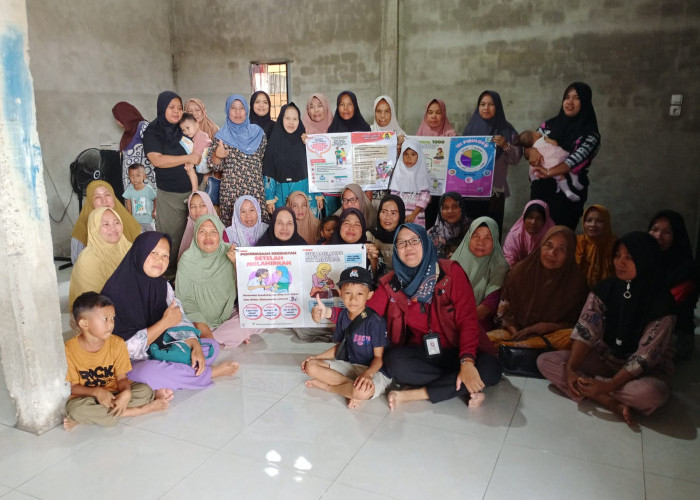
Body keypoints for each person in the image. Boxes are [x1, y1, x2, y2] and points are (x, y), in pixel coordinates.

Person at [537, 232, 676, 424]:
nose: (620, 262)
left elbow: (644, 356)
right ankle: (609, 402)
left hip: (645, 372)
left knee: (650, 394)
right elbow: (586, 330)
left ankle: (594, 388)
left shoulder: (662, 304)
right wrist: (571, 369)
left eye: (629, 257)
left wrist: (608, 385)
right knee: (546, 361)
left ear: (645, 260)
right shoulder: (606, 288)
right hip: (606, 358)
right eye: (617, 255)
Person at [368, 224, 502, 409]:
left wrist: (467, 362)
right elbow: (366, 314)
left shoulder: (451, 272)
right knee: (394, 361)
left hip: (465, 350)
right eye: (401, 243)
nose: (408, 247)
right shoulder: (392, 283)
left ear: (425, 242)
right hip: (426, 353)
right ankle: (462, 386)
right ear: (396, 250)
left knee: (490, 368)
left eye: (414, 240)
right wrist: (331, 313)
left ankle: (417, 394)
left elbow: (468, 320)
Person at [101, 232, 239, 390]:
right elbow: (123, 350)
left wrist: (194, 344)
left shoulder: (162, 285)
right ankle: (207, 373)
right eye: (154, 253)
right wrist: (164, 323)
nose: (160, 260)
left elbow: (179, 317)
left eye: (165, 255)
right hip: (129, 362)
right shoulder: (114, 293)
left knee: (210, 346)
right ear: (140, 252)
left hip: (160, 346)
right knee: (148, 372)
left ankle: (182, 369)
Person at [63, 292, 171, 430]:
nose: (111, 324)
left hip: (115, 394)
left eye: (112, 318)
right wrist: (97, 392)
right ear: (84, 324)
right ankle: (140, 410)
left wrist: (126, 393)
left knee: (145, 391)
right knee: (73, 408)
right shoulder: (69, 349)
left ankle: (90, 417)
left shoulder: (117, 343)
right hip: (90, 397)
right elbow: (74, 387)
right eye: (105, 319)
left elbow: (121, 379)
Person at [304, 266, 391, 409]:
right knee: (310, 366)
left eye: (359, 294)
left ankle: (331, 387)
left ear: (369, 295)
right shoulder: (343, 315)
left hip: (374, 370)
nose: (353, 299)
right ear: (340, 293)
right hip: (351, 366)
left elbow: (379, 358)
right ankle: (350, 389)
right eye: (348, 293)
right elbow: (341, 347)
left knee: (362, 392)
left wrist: (368, 375)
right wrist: (316, 357)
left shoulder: (376, 322)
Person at [489, 226, 589, 349]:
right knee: (485, 339)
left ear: (570, 254)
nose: (552, 253)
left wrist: (548, 327)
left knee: (571, 339)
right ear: (541, 246)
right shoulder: (520, 272)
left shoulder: (576, 284)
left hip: (552, 337)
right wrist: (514, 331)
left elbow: (580, 325)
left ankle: (519, 348)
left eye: (561, 249)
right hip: (515, 333)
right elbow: (503, 312)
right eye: (548, 245)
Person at [176, 215, 261, 348]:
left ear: (220, 235)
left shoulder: (230, 252)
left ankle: (208, 339)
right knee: (176, 321)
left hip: (227, 315)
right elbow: (185, 300)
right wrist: (202, 325)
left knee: (256, 317)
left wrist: (237, 264)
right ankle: (222, 336)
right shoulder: (187, 259)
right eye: (202, 231)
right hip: (195, 320)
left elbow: (250, 289)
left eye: (213, 232)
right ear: (195, 234)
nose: (208, 237)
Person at [143, 91, 202, 278]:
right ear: (162, 108)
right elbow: (157, 160)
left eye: (179, 107)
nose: (177, 111)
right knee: (171, 237)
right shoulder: (153, 131)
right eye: (171, 107)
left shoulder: (183, 127)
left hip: (195, 192)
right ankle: (168, 276)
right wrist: (188, 158)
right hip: (170, 195)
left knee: (195, 234)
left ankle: (190, 275)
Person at [527, 82, 601, 229]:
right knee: (536, 236)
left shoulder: (590, 134)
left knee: (559, 235)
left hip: (567, 196)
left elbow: (573, 161)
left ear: (585, 102)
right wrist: (531, 151)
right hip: (540, 190)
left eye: (576, 98)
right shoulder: (548, 125)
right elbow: (528, 145)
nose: (569, 102)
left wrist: (548, 172)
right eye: (567, 97)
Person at [462, 91, 523, 232]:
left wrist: (505, 145)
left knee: (492, 231)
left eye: (491, 104)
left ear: (498, 107)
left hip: (494, 192)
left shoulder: (507, 130)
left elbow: (515, 159)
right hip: (471, 191)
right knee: (472, 232)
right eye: (482, 104)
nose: (486, 108)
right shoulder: (470, 129)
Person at [207, 94, 268, 227]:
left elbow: (264, 159)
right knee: (232, 230)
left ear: (246, 110)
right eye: (233, 108)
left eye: (241, 108)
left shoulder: (258, 133)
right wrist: (217, 156)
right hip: (231, 194)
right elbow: (215, 167)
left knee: (258, 230)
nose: (238, 112)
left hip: (255, 190)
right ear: (227, 111)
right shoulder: (221, 137)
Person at [648, 210, 698, 360]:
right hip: (644, 324)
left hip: (674, 331)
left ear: (677, 236)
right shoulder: (644, 261)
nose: (658, 236)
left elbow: (667, 306)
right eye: (654, 229)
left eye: (667, 232)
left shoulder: (686, 270)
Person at [451, 217, 510, 332]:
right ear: (468, 237)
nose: (480, 242)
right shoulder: (455, 261)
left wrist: (461, 320)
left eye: (487, 238)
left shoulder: (500, 266)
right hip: (450, 318)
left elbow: (489, 305)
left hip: (478, 323)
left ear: (495, 240)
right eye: (476, 236)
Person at [68, 207, 132, 310]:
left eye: (117, 222)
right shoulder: (87, 260)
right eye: (106, 224)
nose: (113, 228)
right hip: (103, 314)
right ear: (94, 228)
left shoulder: (130, 248)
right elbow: (90, 305)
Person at [70, 180, 141, 264]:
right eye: (97, 197)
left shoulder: (128, 221)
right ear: (90, 201)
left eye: (107, 195)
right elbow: (78, 264)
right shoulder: (81, 229)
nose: (104, 200)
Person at [264, 103, 316, 214]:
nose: (291, 122)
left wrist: (318, 195)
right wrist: (270, 198)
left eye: (295, 119)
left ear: (299, 121)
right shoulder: (273, 143)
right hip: (281, 194)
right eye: (287, 118)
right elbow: (269, 172)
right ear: (281, 119)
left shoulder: (306, 142)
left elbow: (315, 169)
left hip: (304, 191)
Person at [415, 98, 457, 229]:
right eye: (430, 112)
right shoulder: (419, 134)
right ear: (426, 115)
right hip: (423, 190)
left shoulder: (451, 135)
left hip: (445, 190)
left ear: (443, 114)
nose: (434, 116)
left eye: (438, 112)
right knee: (425, 224)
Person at [517, 129, 582, 202]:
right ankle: (575, 181)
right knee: (569, 165)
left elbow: (527, 156)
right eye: (534, 132)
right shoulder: (542, 139)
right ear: (534, 135)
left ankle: (567, 192)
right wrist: (546, 138)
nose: (537, 132)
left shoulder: (534, 147)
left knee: (561, 177)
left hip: (547, 167)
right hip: (557, 158)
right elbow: (555, 143)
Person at [388, 139, 431, 227]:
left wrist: (413, 215)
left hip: (416, 217)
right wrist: (400, 215)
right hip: (399, 218)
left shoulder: (422, 174)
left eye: (413, 154)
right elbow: (394, 198)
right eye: (406, 154)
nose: (409, 158)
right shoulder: (398, 174)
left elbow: (425, 197)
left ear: (419, 156)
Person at [112, 101, 154, 190]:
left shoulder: (143, 126)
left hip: (144, 185)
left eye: (117, 118)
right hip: (131, 186)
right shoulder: (127, 134)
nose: (117, 122)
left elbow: (155, 151)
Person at [502, 199, 555, 267]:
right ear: (524, 218)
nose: (533, 222)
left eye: (539, 218)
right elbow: (509, 261)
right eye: (530, 217)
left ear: (545, 221)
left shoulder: (552, 236)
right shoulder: (515, 235)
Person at [575, 204, 616, 288]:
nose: (593, 224)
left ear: (606, 223)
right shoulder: (577, 242)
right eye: (589, 220)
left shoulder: (615, 245)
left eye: (599, 221)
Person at [367, 194, 405, 272]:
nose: (388, 217)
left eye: (393, 213)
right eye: (384, 212)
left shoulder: (407, 239)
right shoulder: (371, 236)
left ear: (401, 216)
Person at [427, 191, 470, 258]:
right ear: (440, 211)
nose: (450, 211)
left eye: (455, 207)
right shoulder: (432, 234)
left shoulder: (473, 230)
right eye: (445, 207)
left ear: (461, 208)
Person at [178, 191, 217, 260]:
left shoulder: (221, 231)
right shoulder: (188, 233)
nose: (198, 210)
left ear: (209, 206)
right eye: (193, 207)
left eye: (202, 205)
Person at [179, 112, 212, 191]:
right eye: (183, 130)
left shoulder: (201, 136)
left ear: (197, 124)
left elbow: (197, 152)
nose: (186, 132)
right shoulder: (195, 137)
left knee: (189, 168)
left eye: (188, 128)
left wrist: (190, 162)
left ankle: (195, 190)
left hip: (203, 161)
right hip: (204, 165)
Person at [123, 163, 157, 232]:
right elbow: (128, 201)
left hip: (148, 220)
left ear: (144, 176)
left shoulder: (148, 189)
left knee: (151, 236)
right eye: (132, 175)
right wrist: (129, 214)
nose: (134, 178)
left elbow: (155, 199)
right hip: (136, 221)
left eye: (138, 175)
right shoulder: (129, 189)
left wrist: (154, 210)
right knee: (139, 237)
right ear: (129, 176)